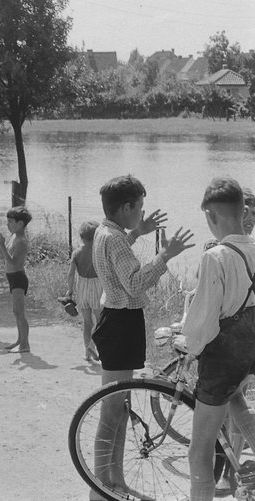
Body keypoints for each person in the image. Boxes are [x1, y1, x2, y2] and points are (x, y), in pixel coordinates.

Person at [89, 175, 192, 501]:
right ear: (127, 207)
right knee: (111, 411)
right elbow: (134, 283)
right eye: (140, 208)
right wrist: (166, 256)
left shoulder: (107, 231)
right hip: (120, 324)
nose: (142, 212)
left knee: (119, 408)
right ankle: (100, 487)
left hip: (119, 320)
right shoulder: (115, 238)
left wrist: (137, 232)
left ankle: (114, 482)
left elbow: (118, 258)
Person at [181, 178, 255, 500]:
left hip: (225, 356)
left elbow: (202, 323)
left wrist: (188, 345)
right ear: (245, 210)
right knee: (237, 401)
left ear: (211, 216)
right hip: (251, 348)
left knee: (199, 452)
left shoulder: (217, 256)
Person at [0, 206, 33, 352]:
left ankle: (25, 344)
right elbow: (4, 255)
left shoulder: (21, 241)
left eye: (10, 222)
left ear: (20, 224)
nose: (7, 225)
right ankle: (19, 340)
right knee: (16, 312)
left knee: (20, 312)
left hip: (18, 278)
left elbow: (13, 263)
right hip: (12, 278)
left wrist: (2, 245)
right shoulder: (14, 236)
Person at [65, 220, 102, 361]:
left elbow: (70, 273)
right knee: (100, 322)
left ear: (82, 237)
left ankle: (87, 352)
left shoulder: (77, 253)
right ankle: (95, 346)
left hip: (82, 287)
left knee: (87, 323)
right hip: (97, 286)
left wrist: (70, 290)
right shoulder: (98, 252)